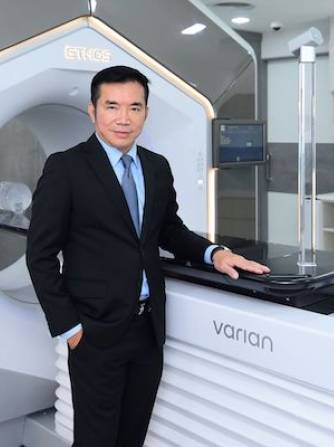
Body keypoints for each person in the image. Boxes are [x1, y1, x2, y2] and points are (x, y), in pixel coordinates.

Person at [26, 65, 270, 447]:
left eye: (134, 107)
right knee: (95, 441)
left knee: (133, 437)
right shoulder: (66, 167)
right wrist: (71, 329)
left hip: (148, 329)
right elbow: (40, 255)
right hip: (95, 332)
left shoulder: (156, 167)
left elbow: (169, 230)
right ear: (93, 111)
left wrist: (215, 254)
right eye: (112, 106)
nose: (124, 118)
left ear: (146, 112)